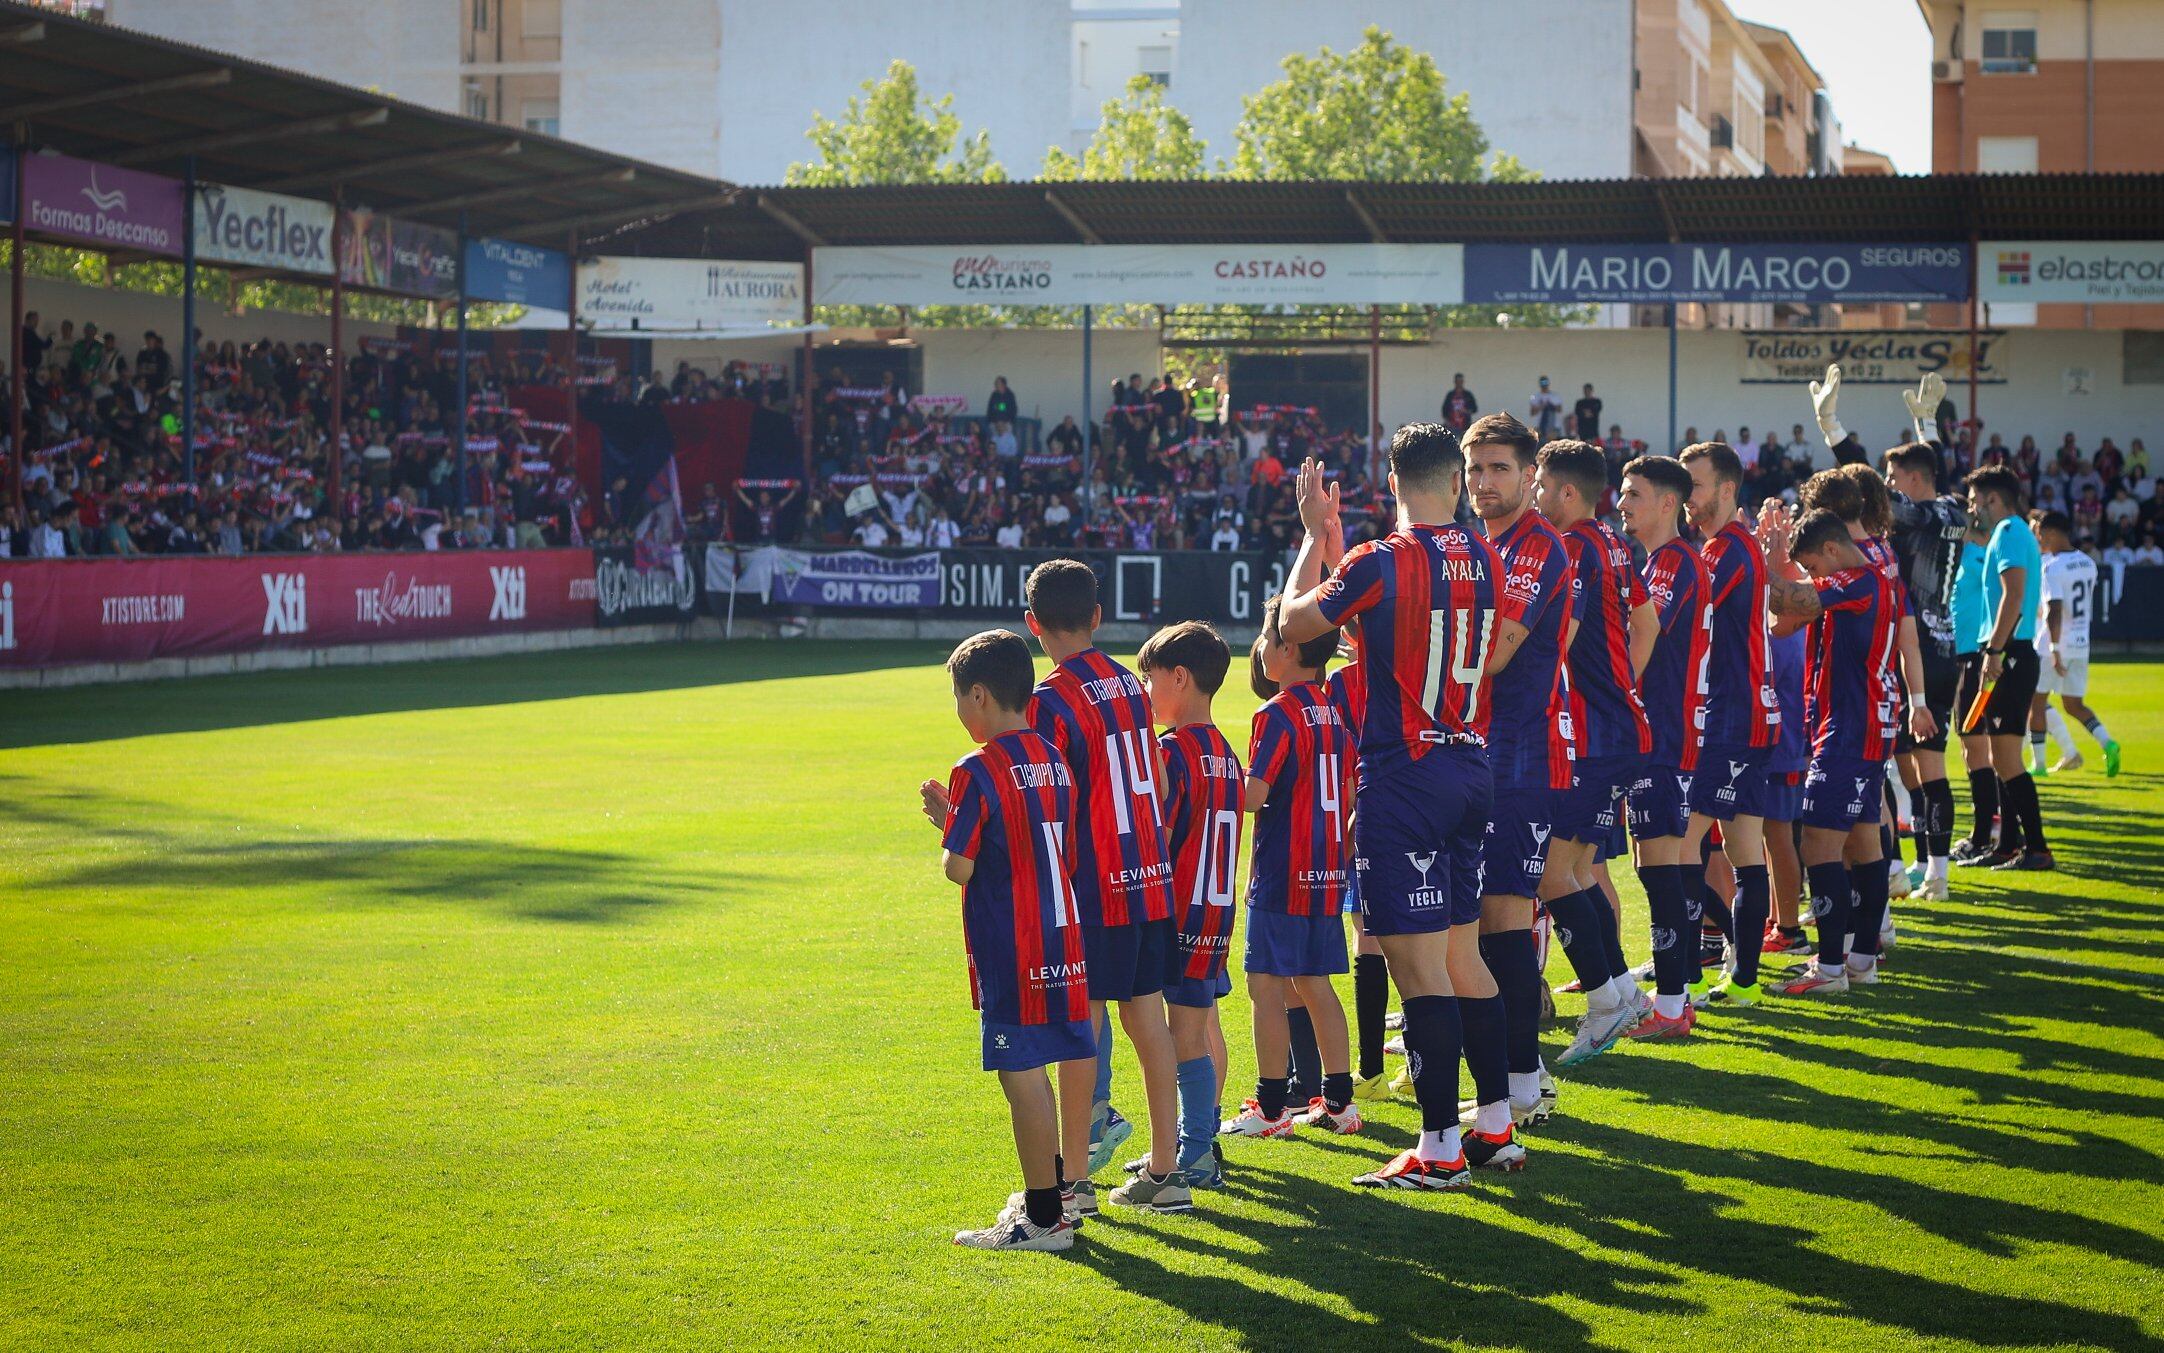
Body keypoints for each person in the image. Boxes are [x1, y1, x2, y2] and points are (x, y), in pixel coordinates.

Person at [1277, 424, 1526, 1188]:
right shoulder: (1487, 555)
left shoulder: (1382, 559)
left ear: (1392, 484)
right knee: (1463, 956)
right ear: (1455, 482)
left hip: (1405, 777)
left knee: (1419, 970)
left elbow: (1293, 628)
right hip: (1470, 767)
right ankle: (1496, 1124)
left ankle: (1440, 1148)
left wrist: (1314, 539)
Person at [1017, 560, 1191, 1213]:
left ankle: (1072, 1183)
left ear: (1034, 625)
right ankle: (1168, 1170)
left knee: (1079, 1028)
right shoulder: (1128, 682)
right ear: (1097, 615)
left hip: (1096, 886)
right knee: (1149, 1021)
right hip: (1149, 875)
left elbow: (1046, 802)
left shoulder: (1050, 699)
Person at [919, 630, 1094, 1251]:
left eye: (959, 700)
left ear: (981, 695)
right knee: (1042, 1063)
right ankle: (1056, 1199)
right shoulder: (1054, 757)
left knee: (1020, 1071)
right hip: (1062, 933)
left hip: (1012, 944)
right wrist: (961, 824)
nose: (960, 713)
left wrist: (948, 827)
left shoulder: (976, 767)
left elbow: (959, 868)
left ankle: (1044, 1220)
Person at [1463, 413, 1573, 1125]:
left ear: (1530, 474)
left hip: (1518, 757)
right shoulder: (1480, 543)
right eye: (1476, 469)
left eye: (1499, 467)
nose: (1484, 482)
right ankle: (1521, 1075)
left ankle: (1521, 1087)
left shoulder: (1536, 546)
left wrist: (1421, 653)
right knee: (1481, 923)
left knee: (1503, 919)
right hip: (1477, 752)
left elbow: (1495, 651)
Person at [1220, 595, 1363, 1141]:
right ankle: (1340, 1101)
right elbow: (1350, 790)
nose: (1261, 648)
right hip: (1327, 870)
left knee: (1266, 987)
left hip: (1282, 872)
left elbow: (1254, 796)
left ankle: (1273, 1105)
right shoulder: (1332, 709)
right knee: (1316, 984)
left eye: (1268, 638)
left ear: (1290, 647)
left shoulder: (1275, 713)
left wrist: (1217, 774)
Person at [1534, 440, 1656, 1067]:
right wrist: (1619, 688)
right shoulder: (1612, 541)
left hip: (1596, 736)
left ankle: (1607, 1001)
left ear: (1568, 493)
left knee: (1554, 873)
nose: (1535, 496)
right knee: (1578, 871)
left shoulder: (1575, 546)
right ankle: (1624, 993)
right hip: (1619, 728)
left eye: (1542, 485)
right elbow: (1648, 624)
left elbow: (1566, 633)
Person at [1760, 508, 1909, 994]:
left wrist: (1766, 561)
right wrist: (1785, 574)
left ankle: (1827, 969)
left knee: (1818, 846)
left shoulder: (1855, 581)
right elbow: (1786, 621)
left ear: (1829, 550)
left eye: (1814, 568)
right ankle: (1862, 961)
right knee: (1863, 846)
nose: (1813, 579)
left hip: (1848, 728)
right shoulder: (1873, 580)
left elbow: (1790, 600)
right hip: (1865, 725)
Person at [1130, 622, 1243, 1193]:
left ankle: (1192, 1152)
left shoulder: (1171, 753)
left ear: (1180, 677)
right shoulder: (1225, 751)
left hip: (1175, 910)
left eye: (1149, 679)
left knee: (1178, 1039)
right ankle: (1191, 1146)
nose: (1145, 692)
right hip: (1215, 912)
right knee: (1193, 1034)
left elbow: (1156, 832)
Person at [1678, 442, 1784, 1006]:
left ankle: (1689, 972)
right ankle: (1741, 976)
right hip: (1748, 718)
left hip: (1731, 722)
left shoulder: (1724, 552)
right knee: (1742, 851)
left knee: (1680, 846)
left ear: (1724, 489)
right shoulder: (1735, 547)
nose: (1685, 497)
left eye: (1692, 485)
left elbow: (1681, 618)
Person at [1615, 455, 1709, 1036]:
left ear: (1668, 503)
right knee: (1665, 865)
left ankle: (1672, 1004)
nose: (1623, 504)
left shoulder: (1673, 564)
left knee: (1661, 867)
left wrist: (1616, 689)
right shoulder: (1663, 562)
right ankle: (1676, 996)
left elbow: (1641, 637)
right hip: (1670, 734)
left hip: (1664, 735)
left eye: (1634, 495)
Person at [1881, 441, 1969, 898]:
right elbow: (1932, 470)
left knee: (1894, 764)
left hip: (1909, 649)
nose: (1891, 486)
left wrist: (1836, 436)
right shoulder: (1956, 510)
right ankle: (1930, 869)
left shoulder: (1919, 514)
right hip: (1944, 646)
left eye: (1895, 477)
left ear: (1913, 479)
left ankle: (1905, 866)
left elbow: (1871, 495)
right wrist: (1930, 431)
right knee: (1920, 768)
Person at [1962, 467, 2054, 870]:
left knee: (2008, 758)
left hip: (2011, 653)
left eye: (1975, 500)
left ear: (1992, 500)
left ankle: (2036, 849)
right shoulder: (2010, 533)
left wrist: (1995, 651)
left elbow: (2013, 596)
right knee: (2002, 756)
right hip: (2008, 651)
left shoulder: (2011, 532)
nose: (1971, 508)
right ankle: (2008, 847)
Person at [2036, 511, 2120, 776]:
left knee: (2034, 702)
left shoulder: (2052, 567)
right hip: (2082, 643)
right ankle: (2108, 742)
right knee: (2074, 704)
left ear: (2050, 533)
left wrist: (2054, 649)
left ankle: (2037, 765)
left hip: (2054, 645)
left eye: (2039, 532)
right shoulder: (2088, 563)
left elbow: (2055, 610)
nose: (2038, 537)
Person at [1528, 376, 1563, 443]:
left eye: (1545, 382)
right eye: (1542, 382)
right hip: (1539, 427)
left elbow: (1559, 409)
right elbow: (1532, 412)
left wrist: (1550, 404)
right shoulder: (1535, 396)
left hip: (1553, 427)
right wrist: (1541, 406)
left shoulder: (1555, 396)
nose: (1544, 384)